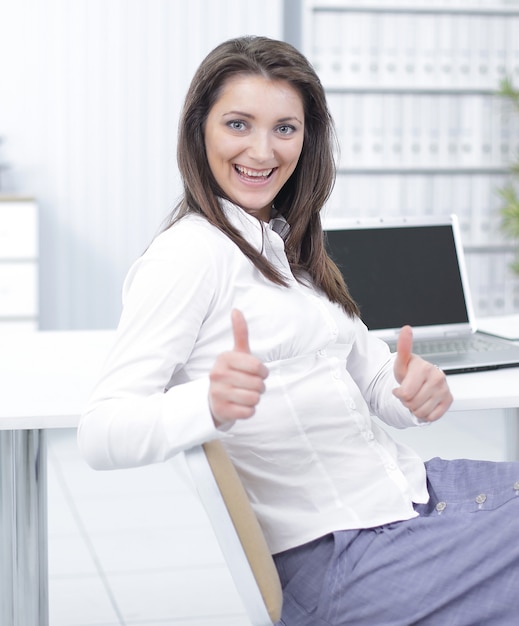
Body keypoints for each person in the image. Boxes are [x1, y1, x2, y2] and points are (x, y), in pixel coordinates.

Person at [78, 36, 519, 625]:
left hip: (408, 496)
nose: (262, 150)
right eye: (239, 124)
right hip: (345, 555)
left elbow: (373, 378)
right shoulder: (188, 257)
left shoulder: (294, 248)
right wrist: (207, 402)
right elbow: (101, 431)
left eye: (284, 128)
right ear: (198, 131)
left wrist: (411, 390)